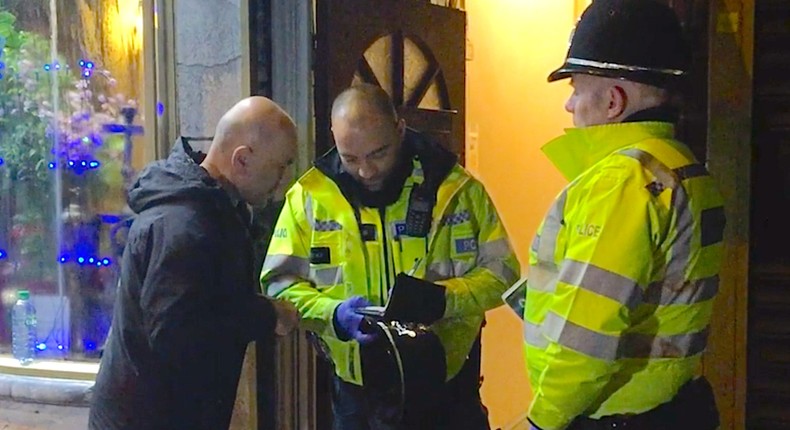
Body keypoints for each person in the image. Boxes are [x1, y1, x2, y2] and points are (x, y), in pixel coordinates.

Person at [260, 83, 520, 429]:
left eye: (378, 153)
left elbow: (504, 273)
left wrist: (444, 299)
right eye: (351, 158)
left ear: (400, 129)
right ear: (333, 136)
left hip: (446, 386)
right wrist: (333, 314)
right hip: (356, 394)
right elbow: (278, 285)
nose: (366, 170)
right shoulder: (309, 198)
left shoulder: (456, 191)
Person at [522, 1, 726, 429]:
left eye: (576, 89)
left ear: (613, 101)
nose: (570, 105)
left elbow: (585, 339)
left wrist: (540, 421)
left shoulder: (621, 181)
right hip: (670, 408)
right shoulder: (682, 166)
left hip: (614, 416)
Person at [89, 96, 301, 430]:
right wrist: (267, 314)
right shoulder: (186, 224)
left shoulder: (209, 209)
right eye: (281, 166)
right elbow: (177, 335)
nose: (284, 180)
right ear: (242, 159)